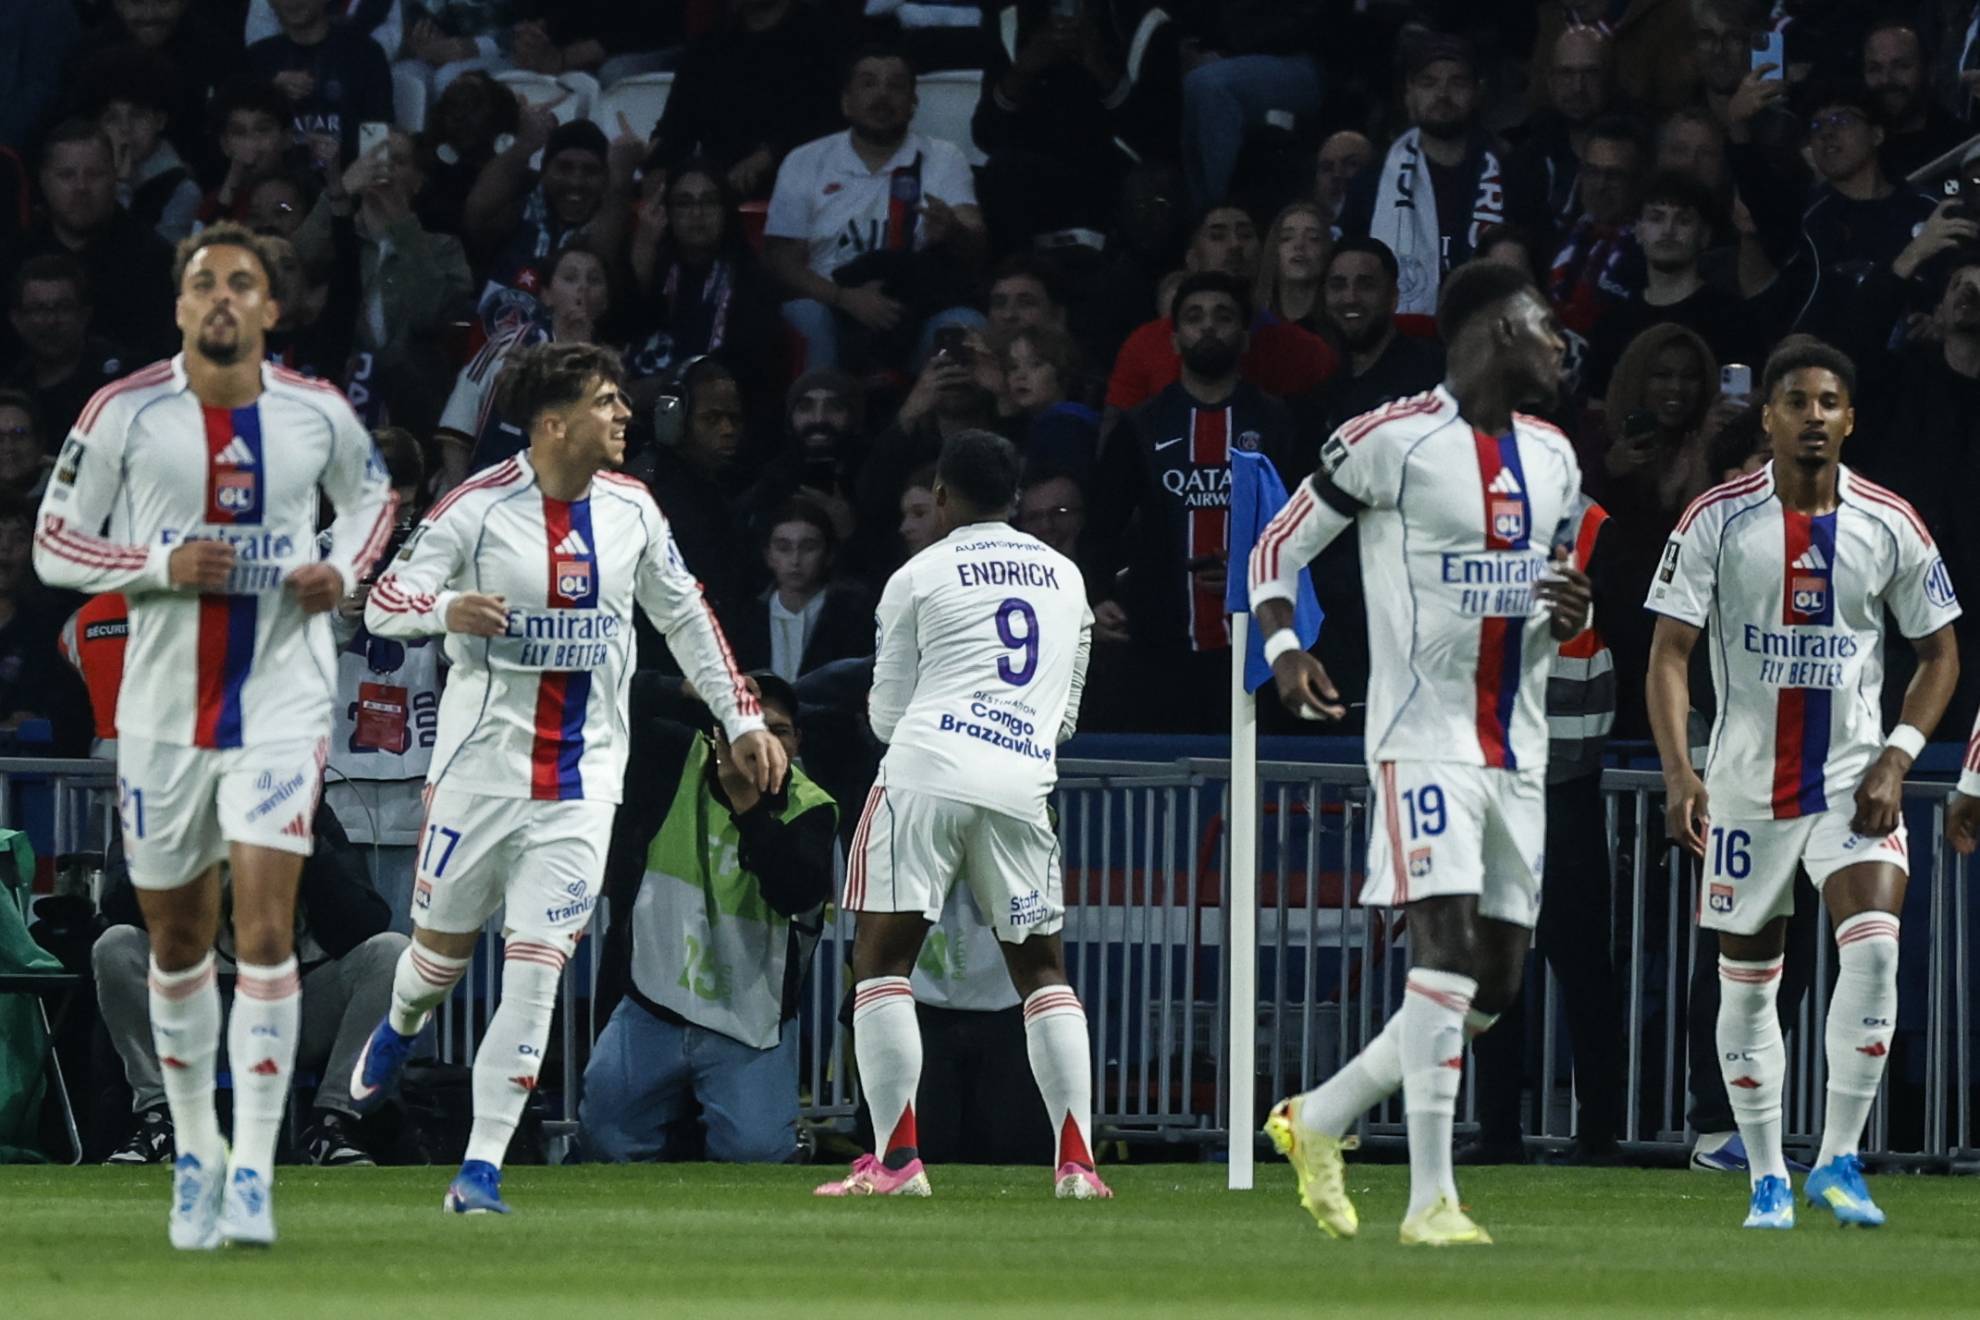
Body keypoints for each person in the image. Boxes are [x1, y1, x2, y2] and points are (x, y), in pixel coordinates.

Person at [349, 341, 785, 1215]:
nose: (626, 415)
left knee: (538, 969)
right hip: (479, 777)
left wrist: (740, 717)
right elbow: (384, 601)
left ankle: (480, 1169)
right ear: (554, 424)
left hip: (583, 782)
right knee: (434, 966)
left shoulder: (632, 509)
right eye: (607, 401)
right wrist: (446, 610)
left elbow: (687, 615)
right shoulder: (475, 509)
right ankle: (398, 1025)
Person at [30, 220, 397, 1249]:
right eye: (205, 283)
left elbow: (374, 501)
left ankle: (251, 1168)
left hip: (276, 703)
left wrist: (344, 568)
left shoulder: (315, 412)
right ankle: (191, 1146)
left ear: (272, 306)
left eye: (245, 282)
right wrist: (153, 565)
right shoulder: (123, 410)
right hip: (162, 713)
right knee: (179, 940)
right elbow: (57, 542)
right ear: (183, 306)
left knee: (273, 931)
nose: (224, 298)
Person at [1247, 260, 1591, 1244]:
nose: (1559, 342)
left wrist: (1578, 605)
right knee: (1442, 956)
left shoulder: (1559, 458)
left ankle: (1320, 1117)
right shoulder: (1391, 440)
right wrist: (1285, 649)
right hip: (1419, 740)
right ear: (1490, 330)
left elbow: (1558, 586)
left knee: (1500, 981)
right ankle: (1429, 1201)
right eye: (1541, 323)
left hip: (1515, 752)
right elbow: (1276, 550)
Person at [1644, 338, 1961, 1229]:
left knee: (1876, 947)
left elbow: (1940, 651)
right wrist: (1681, 770)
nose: (1814, 416)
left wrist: (1897, 755)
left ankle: (1838, 1159)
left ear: (1849, 419)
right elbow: (1668, 652)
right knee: (1748, 985)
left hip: (1855, 781)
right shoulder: (1716, 519)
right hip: (1746, 790)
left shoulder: (1891, 522)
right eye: (1797, 401)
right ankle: (1766, 1176)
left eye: (1829, 402)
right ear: (1769, 416)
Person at [812, 427, 1106, 1200]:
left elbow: (883, 714)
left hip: (925, 773)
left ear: (941, 496)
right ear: (1015, 499)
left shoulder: (919, 573)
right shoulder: (1067, 579)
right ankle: (1076, 1163)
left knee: (880, 964)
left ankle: (899, 1162)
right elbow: (1065, 716)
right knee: (1042, 973)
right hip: (1021, 781)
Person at [580, 672, 835, 1163]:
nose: (761, 743)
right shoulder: (673, 761)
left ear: (797, 744)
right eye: (748, 726)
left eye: (777, 732)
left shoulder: (812, 806)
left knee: (759, 1156)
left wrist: (748, 804)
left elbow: (795, 891)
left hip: (749, 1016)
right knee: (603, 1144)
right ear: (719, 730)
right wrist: (689, 688)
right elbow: (604, 695)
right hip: (653, 1004)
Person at [94, 807, 407, 1168]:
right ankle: (160, 1121)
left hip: (289, 1012)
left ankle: (332, 1124)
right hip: (185, 1014)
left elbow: (366, 921)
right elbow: (117, 906)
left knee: (392, 952)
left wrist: (305, 841)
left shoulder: (306, 807)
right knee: (115, 944)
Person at [1089, 272, 1303, 731]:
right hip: (1159, 649)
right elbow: (1101, 525)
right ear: (1173, 340)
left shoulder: (1281, 423)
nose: (1208, 327)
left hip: (1258, 646)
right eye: (1194, 317)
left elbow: (1306, 527)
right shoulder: (1140, 428)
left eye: (1223, 317)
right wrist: (1096, 593)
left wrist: (1253, 572)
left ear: (1245, 339)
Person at [763, 45, 989, 373]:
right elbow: (781, 262)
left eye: (895, 85)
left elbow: (977, 240)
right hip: (828, 302)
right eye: (868, 83)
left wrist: (954, 230)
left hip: (915, 309)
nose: (882, 95)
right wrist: (845, 298)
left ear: (913, 103)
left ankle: (924, 422)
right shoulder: (805, 160)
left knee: (967, 323)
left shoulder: (943, 157)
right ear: (846, 101)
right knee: (807, 317)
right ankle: (819, 418)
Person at [1337, 33, 1545, 317]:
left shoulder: (1514, 173)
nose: (1443, 94)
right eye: (1429, 82)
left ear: (1477, 92)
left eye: (1457, 82)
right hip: (1395, 341)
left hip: (1485, 340)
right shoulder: (1373, 182)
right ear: (1409, 93)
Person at [324, 429, 440, 934]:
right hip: (337, 791)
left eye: (406, 509)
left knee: (409, 963)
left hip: (414, 788)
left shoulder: (441, 556)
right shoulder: (315, 558)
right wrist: (340, 618)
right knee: (341, 955)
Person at [1105, 205, 1336, 417]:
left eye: (1245, 235)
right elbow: (1117, 439)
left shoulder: (1305, 350)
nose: (1235, 245)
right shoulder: (1145, 344)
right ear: (1193, 258)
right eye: (1218, 236)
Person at [436, 242, 613, 487]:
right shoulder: (510, 345)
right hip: (489, 487)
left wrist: (582, 351)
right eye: (570, 278)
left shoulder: (610, 368)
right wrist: (458, 496)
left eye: (594, 280)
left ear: (605, 301)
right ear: (547, 295)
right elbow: (456, 431)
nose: (582, 288)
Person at [8, 120, 175, 361]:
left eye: (94, 174)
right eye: (66, 175)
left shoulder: (155, 259)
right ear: (43, 180)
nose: (81, 187)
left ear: (114, 178)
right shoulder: (15, 260)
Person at [647, 0, 849, 200]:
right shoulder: (709, 47)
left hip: (808, 193)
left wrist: (768, 156)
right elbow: (677, 127)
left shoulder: (824, 38)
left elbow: (831, 124)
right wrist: (657, 165)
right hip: (718, 200)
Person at [1583, 172, 1752, 395]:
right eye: (1656, 218)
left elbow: (1740, 399)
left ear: (1705, 235)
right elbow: (1597, 408)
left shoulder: (1732, 318)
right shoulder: (1612, 323)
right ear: (1638, 230)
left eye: (1683, 220)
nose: (1668, 230)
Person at [731, 499, 875, 683]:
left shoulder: (853, 616)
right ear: (769, 556)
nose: (795, 560)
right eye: (784, 548)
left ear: (829, 555)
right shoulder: (745, 619)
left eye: (808, 548)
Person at [244, 0, 393, 161]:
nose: (292, 2)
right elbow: (243, 140)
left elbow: (378, 134)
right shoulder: (257, 59)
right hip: (277, 180)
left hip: (351, 178)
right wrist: (268, 93)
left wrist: (352, 182)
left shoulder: (366, 54)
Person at [4, 256, 129, 441]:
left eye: (63, 307)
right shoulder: (11, 388)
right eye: (38, 309)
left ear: (85, 315)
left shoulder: (120, 380)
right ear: (17, 320)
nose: (51, 321)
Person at [1511, 24, 1617, 229]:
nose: (1578, 87)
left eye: (1591, 73)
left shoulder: (1638, 153)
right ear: (1550, 80)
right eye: (1567, 73)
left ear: (1610, 79)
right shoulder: (1525, 154)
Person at [1864, 16, 1967, 183]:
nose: (1886, 79)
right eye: (1874, 69)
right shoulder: (1853, 149)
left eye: (1901, 66)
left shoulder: (1961, 148)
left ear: (1930, 72)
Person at [1000, 324, 1098, 485]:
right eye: (1013, 367)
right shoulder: (1031, 426)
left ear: (1062, 370)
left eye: (1035, 364)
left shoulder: (1069, 425)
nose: (1020, 375)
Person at [1254, 200, 1331, 335]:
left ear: (1326, 250)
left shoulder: (1337, 326)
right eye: (1287, 238)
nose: (1299, 245)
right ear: (1274, 251)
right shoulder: (1253, 325)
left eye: (1313, 238)